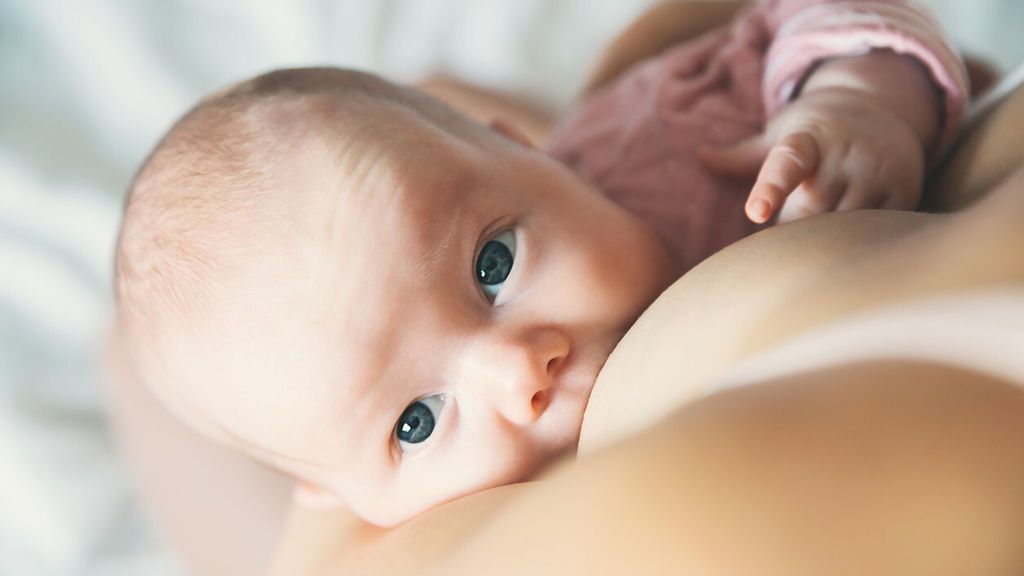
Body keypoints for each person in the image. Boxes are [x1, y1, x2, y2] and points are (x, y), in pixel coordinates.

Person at [112, 0, 968, 531]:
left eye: (494, 263)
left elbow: (806, 20)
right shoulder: (464, 532)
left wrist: (852, 99)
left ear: (535, 159)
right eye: (416, 421)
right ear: (333, 496)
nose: (516, 370)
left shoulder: (682, 136)